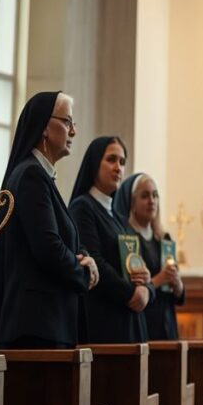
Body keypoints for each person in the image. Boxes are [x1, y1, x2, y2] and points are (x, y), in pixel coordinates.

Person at [0, 92, 98, 348]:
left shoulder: (39, 176)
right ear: (45, 127)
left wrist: (84, 255)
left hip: (46, 326)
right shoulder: (31, 176)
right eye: (67, 122)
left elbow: (62, 237)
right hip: (37, 329)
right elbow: (48, 247)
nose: (74, 131)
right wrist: (83, 272)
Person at [69, 137, 151, 343]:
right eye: (111, 160)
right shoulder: (83, 207)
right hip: (104, 321)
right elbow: (94, 260)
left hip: (129, 318)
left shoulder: (120, 218)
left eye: (122, 162)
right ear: (95, 163)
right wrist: (131, 294)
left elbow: (135, 264)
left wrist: (146, 286)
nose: (118, 167)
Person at [113, 173, 186, 340]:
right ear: (132, 203)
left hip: (167, 322)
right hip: (143, 321)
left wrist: (178, 284)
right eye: (145, 196)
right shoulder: (128, 239)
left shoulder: (164, 239)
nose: (152, 201)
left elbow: (177, 293)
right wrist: (159, 279)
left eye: (155, 195)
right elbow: (132, 286)